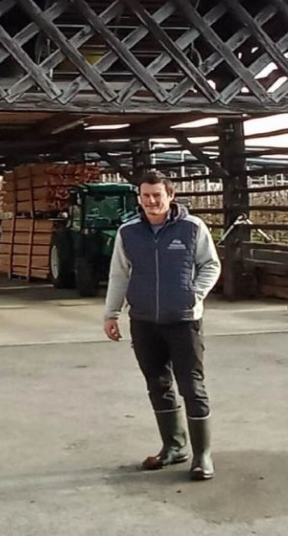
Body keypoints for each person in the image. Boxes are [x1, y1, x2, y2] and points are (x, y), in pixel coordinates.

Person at [103, 169, 221, 481]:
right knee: (158, 384)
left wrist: (194, 295)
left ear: (171, 196)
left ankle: (202, 455)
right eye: (146, 196)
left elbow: (211, 264)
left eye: (158, 195)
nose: (152, 201)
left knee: (192, 386)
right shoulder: (128, 232)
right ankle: (174, 446)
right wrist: (111, 313)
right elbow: (119, 274)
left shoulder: (192, 228)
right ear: (138, 198)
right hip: (143, 321)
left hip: (183, 321)